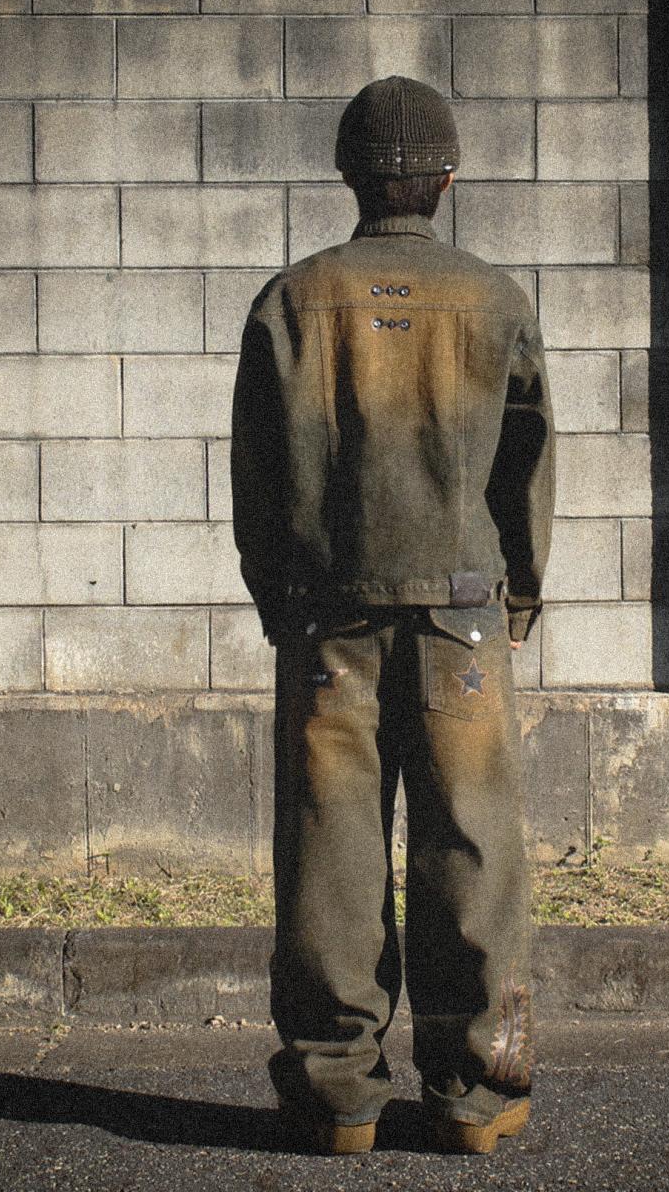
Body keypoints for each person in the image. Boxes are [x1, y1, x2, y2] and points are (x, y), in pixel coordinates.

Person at [230, 75, 557, 1157]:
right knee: (473, 843)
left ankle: (337, 1096)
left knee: (330, 848)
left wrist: (279, 598)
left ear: (348, 175)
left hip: (327, 619)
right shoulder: (496, 300)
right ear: (448, 179)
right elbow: (526, 471)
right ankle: (474, 1094)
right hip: (463, 621)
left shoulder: (292, 300)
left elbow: (255, 480)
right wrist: (518, 597)